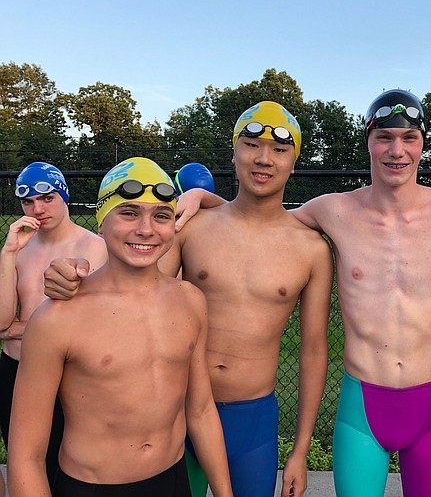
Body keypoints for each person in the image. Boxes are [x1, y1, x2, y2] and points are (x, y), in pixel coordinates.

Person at [46, 91, 431, 497]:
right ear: (367, 143)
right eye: (382, 137)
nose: (396, 150)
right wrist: (197, 199)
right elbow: (260, 219)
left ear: (424, 145)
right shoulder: (329, 213)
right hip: (360, 403)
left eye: (409, 139)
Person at [44, 102, 334, 497]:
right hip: (172, 409)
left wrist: (300, 449)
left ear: (294, 162)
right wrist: (74, 274)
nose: (263, 158)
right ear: (233, 153)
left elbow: (314, 351)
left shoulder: (311, 249)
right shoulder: (192, 226)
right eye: (251, 144)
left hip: (252, 415)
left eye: (280, 150)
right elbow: (132, 288)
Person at [8, 157, 233, 496]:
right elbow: (26, 456)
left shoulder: (190, 302)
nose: (146, 229)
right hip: (92, 486)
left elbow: (200, 410)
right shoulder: (58, 317)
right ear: (101, 222)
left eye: (161, 215)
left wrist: (224, 492)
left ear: (173, 225)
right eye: (129, 213)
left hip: (173, 481)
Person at [0, 162, 108, 493]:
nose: (37, 209)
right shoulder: (19, 249)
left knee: (67, 464)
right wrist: (7, 252)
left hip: (68, 375)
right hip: (15, 370)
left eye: (47, 198)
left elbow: (95, 326)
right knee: (25, 461)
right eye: (28, 202)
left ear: (64, 195)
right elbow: (1, 321)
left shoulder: (92, 247)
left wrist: (19, 329)